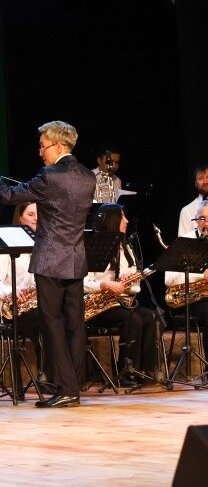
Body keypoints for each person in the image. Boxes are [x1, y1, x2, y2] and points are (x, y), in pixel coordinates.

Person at [0, 120, 96, 408]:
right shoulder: (87, 176)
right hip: (75, 258)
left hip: (50, 260)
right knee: (75, 324)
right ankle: (74, 385)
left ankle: (67, 388)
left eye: (43, 146)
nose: (40, 152)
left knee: (52, 324)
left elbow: (8, 196)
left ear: (58, 146)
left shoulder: (50, 175)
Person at [85, 203, 157, 387]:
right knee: (132, 319)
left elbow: (136, 287)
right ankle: (125, 370)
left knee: (150, 316)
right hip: (97, 305)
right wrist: (105, 285)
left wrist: (128, 282)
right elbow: (81, 282)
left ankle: (144, 370)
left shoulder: (126, 248)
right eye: (122, 216)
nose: (126, 221)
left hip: (121, 302)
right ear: (112, 220)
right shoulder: (92, 246)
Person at [0, 202, 47, 381]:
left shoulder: (47, 245)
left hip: (40, 304)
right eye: (30, 214)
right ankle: (45, 375)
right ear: (20, 218)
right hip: (15, 308)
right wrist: (12, 290)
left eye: (39, 214)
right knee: (44, 323)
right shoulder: (7, 245)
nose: (36, 218)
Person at [165, 199, 208, 366]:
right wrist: (200, 276)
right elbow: (169, 279)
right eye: (202, 218)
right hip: (190, 300)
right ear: (196, 220)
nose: (206, 223)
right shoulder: (184, 242)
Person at [177, 163, 208, 236]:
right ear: (196, 184)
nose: (205, 181)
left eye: (207, 177)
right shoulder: (187, 211)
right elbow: (184, 242)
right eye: (200, 178)